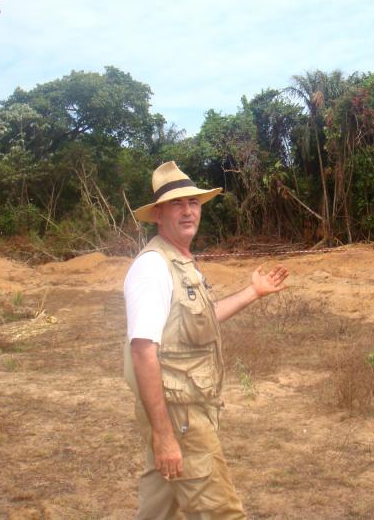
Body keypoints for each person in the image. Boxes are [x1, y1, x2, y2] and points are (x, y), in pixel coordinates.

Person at [123, 161, 288, 519]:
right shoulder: (153, 268)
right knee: (221, 512)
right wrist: (165, 436)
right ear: (158, 215)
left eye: (193, 203)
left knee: (159, 510)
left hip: (186, 409)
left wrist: (253, 292)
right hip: (180, 417)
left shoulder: (181, 263)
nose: (188, 211)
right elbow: (142, 352)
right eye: (177, 204)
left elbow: (202, 318)